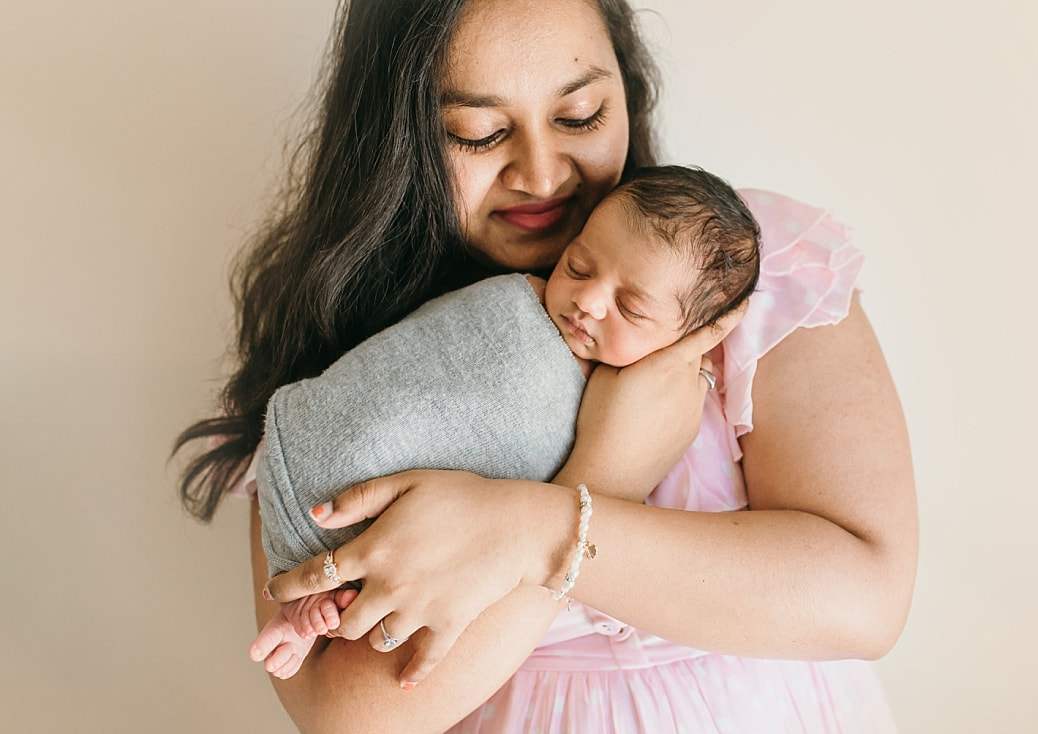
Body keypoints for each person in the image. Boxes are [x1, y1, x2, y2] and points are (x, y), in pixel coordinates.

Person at [174, 0, 917, 731]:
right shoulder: (351, 371)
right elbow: (350, 717)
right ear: (395, 143)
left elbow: (864, 600)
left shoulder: (740, 272)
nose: (540, 172)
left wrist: (539, 531)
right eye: (480, 132)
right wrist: (599, 477)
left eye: (580, 117)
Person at [248, 165, 762, 680]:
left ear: (687, 338)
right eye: (579, 267)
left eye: (629, 307)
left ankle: (313, 612)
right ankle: (310, 601)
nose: (587, 300)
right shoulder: (517, 301)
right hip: (326, 451)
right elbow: (419, 368)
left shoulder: (660, 408)